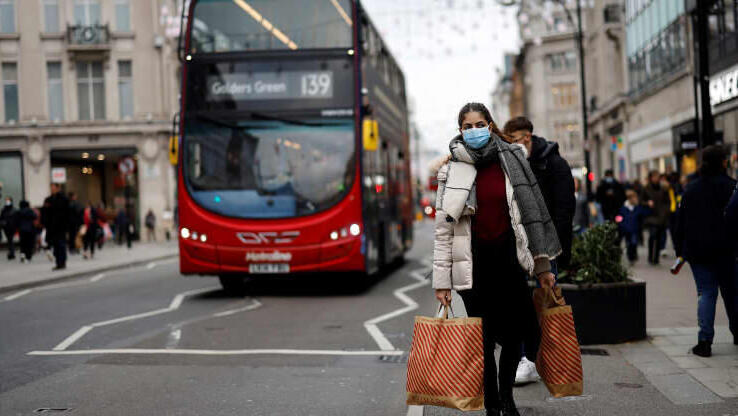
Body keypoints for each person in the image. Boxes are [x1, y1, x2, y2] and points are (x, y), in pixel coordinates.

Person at [433, 103, 560, 416]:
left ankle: (507, 398)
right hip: (474, 266)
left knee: (515, 334)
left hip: (510, 260)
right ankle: (492, 403)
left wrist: (542, 267)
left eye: (479, 124)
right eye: (467, 126)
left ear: (490, 125)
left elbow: (533, 215)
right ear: (460, 130)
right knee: (485, 338)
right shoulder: (452, 169)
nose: (474, 130)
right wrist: (441, 281)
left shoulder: (513, 159)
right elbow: (443, 230)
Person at [502, 116, 575, 385]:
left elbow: (565, 210)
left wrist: (561, 249)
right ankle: (526, 359)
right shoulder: (508, 165)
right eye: (515, 138)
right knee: (520, 306)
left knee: (547, 305)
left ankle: (551, 358)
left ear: (531, 137)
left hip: (546, 248)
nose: (522, 143)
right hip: (518, 248)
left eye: (525, 137)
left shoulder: (553, 162)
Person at [674, 146, 738, 356]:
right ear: (723, 162)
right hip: (727, 249)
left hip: (698, 251)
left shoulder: (691, 189)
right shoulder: (731, 186)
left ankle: (704, 341)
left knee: (706, 293)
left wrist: (680, 250)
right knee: (732, 293)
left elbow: (680, 222)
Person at [641, 170, 671, 265]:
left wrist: (666, 211)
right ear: (651, 178)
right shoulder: (646, 188)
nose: (656, 178)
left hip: (661, 216)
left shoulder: (663, 188)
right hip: (651, 216)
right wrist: (647, 203)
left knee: (658, 237)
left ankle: (656, 257)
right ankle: (650, 256)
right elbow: (641, 201)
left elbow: (668, 201)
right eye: (654, 176)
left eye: (657, 176)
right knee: (652, 235)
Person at [617, 190, 650, 265]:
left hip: (634, 229)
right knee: (629, 244)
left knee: (634, 243)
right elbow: (619, 217)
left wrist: (647, 206)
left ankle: (634, 255)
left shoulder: (637, 207)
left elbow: (643, 214)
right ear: (629, 198)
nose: (635, 199)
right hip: (626, 229)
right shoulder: (624, 208)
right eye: (633, 198)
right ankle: (631, 257)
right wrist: (621, 224)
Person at [46, 183, 70, 270]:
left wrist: (67, 226)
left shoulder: (63, 199)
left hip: (61, 226)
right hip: (52, 227)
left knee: (61, 244)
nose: (52, 189)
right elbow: (46, 213)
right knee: (55, 245)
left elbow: (67, 213)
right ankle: (58, 263)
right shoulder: (49, 199)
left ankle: (62, 262)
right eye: (51, 187)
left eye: (53, 187)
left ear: (58, 188)